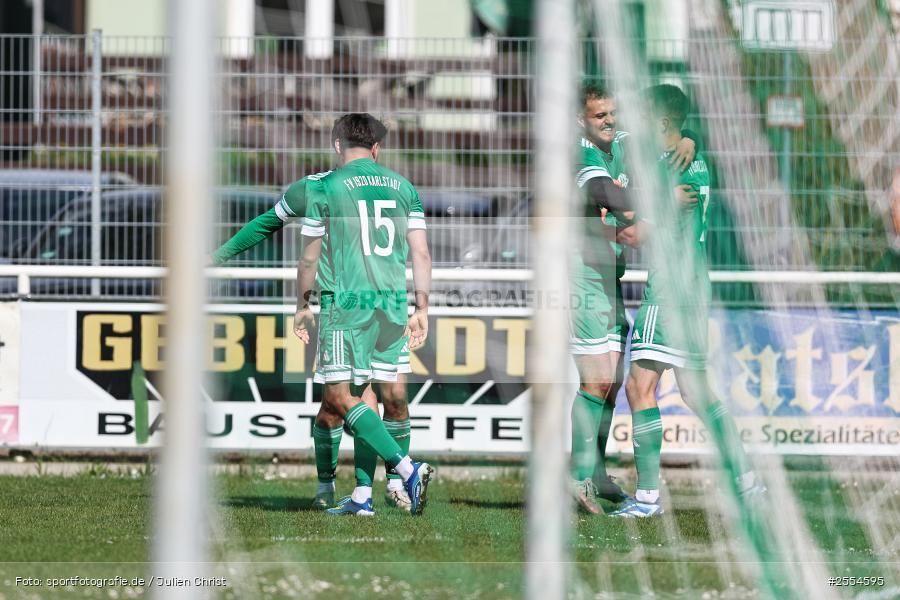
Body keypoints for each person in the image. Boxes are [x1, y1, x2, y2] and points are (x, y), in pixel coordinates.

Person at [211, 120, 417, 513]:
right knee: (340, 406)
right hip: (365, 307)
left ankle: (381, 486)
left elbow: (276, 232)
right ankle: (337, 487)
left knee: (373, 399)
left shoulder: (361, 186)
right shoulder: (326, 187)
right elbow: (269, 222)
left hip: (357, 308)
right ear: (371, 148)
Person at [609, 84, 762, 518]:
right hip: (697, 287)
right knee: (698, 392)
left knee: (640, 387)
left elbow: (636, 234)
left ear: (659, 123)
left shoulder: (667, 168)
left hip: (671, 290)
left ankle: (646, 500)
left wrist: (614, 226)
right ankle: (748, 482)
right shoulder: (695, 160)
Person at [294, 113, 434, 516]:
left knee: (340, 398)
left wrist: (303, 304)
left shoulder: (327, 186)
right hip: (391, 306)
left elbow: (309, 257)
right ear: (377, 148)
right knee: (377, 397)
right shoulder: (405, 187)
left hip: (347, 306)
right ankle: (362, 496)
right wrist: (421, 308)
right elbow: (421, 253)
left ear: (337, 145)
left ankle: (406, 470)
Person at [569, 82, 697, 514]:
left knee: (612, 385)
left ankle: (597, 474)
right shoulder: (580, 154)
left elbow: (664, 136)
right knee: (598, 382)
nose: (609, 121)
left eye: (612, 113)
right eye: (598, 115)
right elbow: (606, 195)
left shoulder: (621, 142)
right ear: (579, 121)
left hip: (609, 277)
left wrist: (686, 140)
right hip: (580, 277)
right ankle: (578, 477)